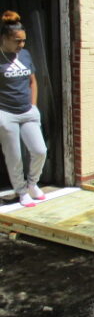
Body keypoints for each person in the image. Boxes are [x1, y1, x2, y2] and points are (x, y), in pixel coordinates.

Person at [0, 11, 47, 207]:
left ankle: (32, 184)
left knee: (40, 150)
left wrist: (34, 105)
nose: (21, 45)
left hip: (28, 111)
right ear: (4, 38)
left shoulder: (25, 54)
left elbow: (32, 81)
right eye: (17, 41)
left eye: (24, 41)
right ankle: (21, 192)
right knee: (14, 156)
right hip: (6, 113)